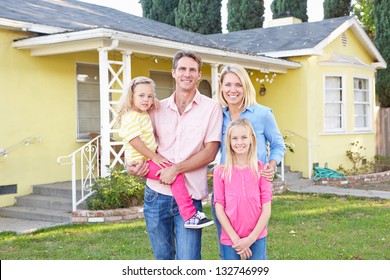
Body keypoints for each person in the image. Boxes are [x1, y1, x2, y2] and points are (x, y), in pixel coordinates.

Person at [126, 50, 223, 260]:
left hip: (190, 196)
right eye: (182, 69)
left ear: (199, 75)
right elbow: (140, 142)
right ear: (173, 73)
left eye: (192, 70)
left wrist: (176, 169)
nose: (187, 74)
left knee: (189, 261)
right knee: (163, 260)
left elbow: (210, 152)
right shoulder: (155, 107)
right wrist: (132, 166)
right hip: (156, 195)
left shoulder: (212, 108)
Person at [117, 76, 213, 230]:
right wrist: (154, 157)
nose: (146, 100)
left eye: (149, 96)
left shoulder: (142, 113)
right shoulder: (131, 117)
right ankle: (189, 215)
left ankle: (189, 214)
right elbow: (134, 141)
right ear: (131, 97)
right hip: (142, 161)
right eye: (141, 96)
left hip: (147, 158)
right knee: (175, 175)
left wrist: (152, 103)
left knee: (174, 172)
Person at [213, 64, 286, 259]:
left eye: (238, 84)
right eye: (228, 84)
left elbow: (279, 145)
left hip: (254, 192)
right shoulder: (218, 115)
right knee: (228, 254)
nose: (233, 90)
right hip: (227, 192)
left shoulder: (262, 114)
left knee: (256, 256)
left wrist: (271, 164)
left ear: (246, 86)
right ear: (221, 87)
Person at [213, 118, 272, 260]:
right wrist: (236, 240)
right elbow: (219, 209)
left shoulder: (261, 170)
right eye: (235, 138)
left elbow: (267, 209)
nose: (239, 142)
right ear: (229, 141)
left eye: (244, 137)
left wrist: (250, 239)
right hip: (231, 239)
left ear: (251, 139)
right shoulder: (220, 172)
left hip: (256, 237)